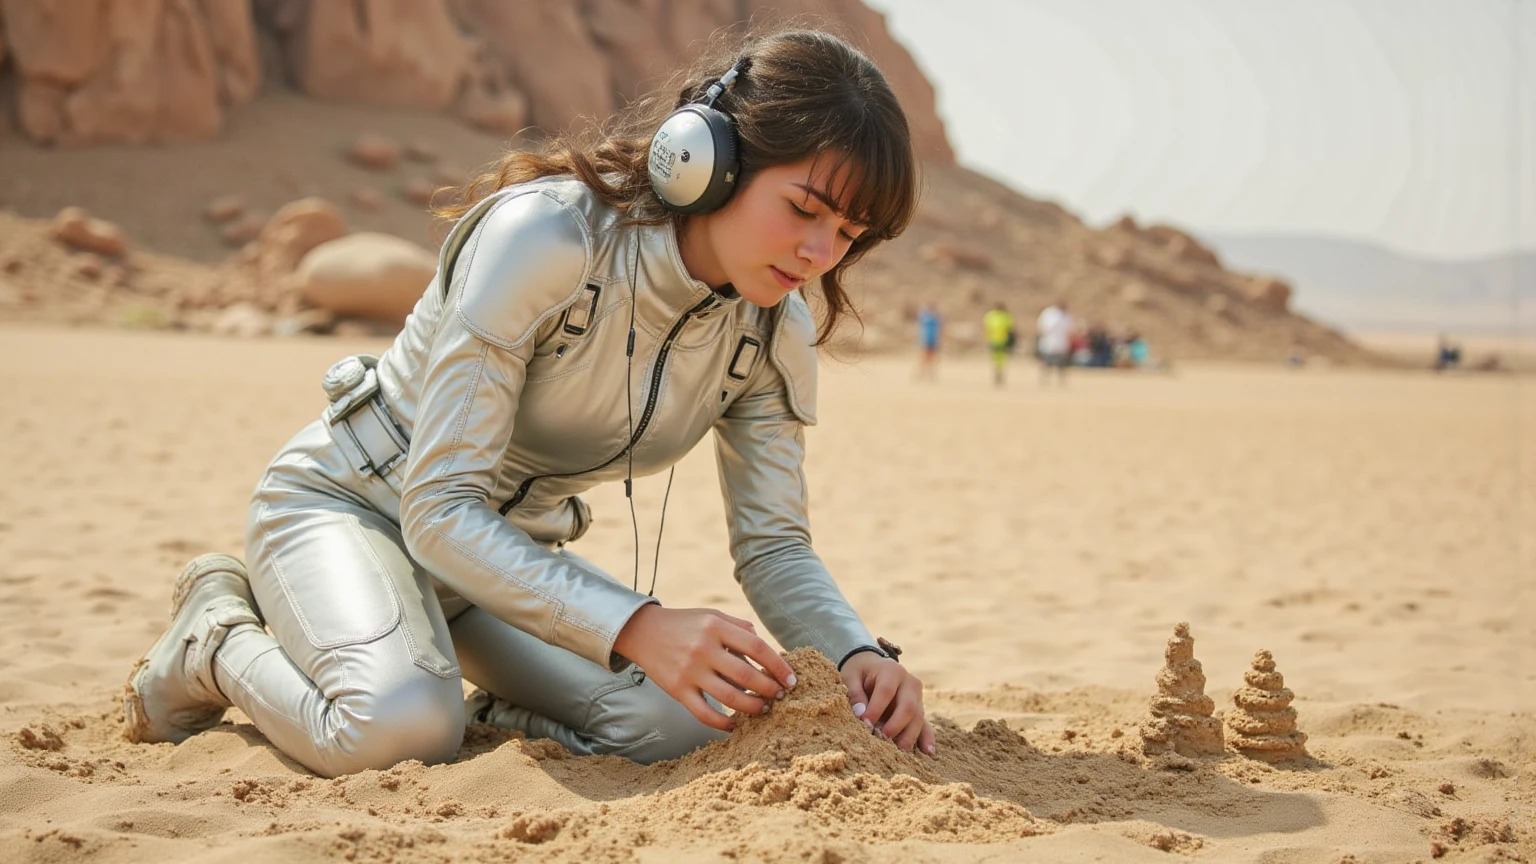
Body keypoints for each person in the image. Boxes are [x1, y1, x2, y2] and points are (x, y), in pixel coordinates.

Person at [122, 27, 935, 779]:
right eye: (805, 209)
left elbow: (774, 548)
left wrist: (858, 651)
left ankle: (493, 700)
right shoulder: (546, 239)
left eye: (851, 234)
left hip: (500, 568)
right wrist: (638, 628)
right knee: (401, 730)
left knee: (697, 725)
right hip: (357, 508)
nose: (821, 252)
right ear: (708, 159)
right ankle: (216, 634)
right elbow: (438, 509)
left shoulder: (774, 330)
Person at [1036, 299, 1072, 385]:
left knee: (1062, 363)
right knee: (1047, 361)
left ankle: (1061, 380)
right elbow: (1044, 326)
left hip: (1061, 342)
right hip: (1049, 341)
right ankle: (1045, 378)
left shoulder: (1066, 316)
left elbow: (1069, 329)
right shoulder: (1050, 314)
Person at [982, 302, 1014, 387]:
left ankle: (999, 373)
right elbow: (987, 328)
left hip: (1002, 340)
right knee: (995, 358)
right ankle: (997, 373)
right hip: (994, 340)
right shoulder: (992, 316)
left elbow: (1009, 329)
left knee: (1001, 359)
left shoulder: (1005, 316)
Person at [915, 302, 941, 380]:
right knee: (923, 358)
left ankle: (929, 374)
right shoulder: (925, 317)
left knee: (931, 358)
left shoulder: (935, 318)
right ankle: (921, 374)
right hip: (926, 339)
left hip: (932, 340)